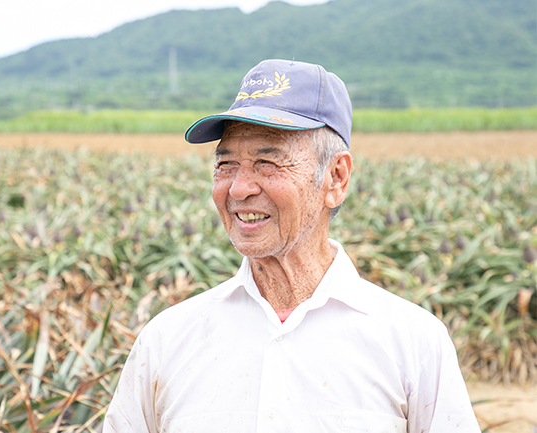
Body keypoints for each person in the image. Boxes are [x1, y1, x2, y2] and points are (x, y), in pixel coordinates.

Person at [103, 59, 480, 432]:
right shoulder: (167, 341)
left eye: (268, 162)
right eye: (226, 164)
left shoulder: (414, 343)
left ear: (335, 178)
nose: (239, 188)